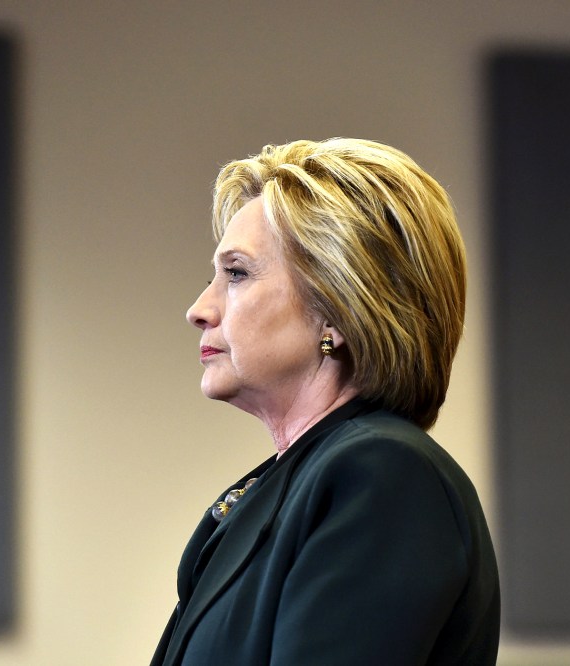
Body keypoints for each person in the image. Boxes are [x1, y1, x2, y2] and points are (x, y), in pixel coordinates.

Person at [151, 138, 500, 665]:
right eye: (212, 278)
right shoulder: (286, 484)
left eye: (237, 274)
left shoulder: (384, 475)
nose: (200, 309)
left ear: (338, 307)